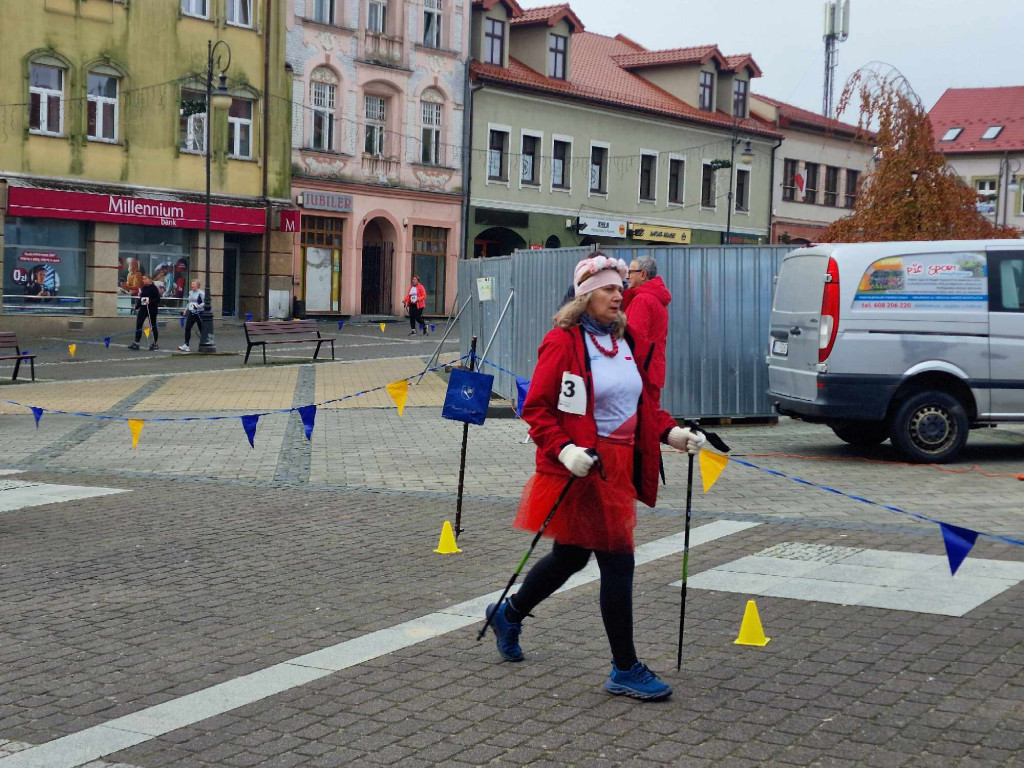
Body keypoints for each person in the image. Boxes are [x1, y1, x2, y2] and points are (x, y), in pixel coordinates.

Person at [485, 253, 705, 701]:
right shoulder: (563, 341)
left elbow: (641, 403)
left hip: (618, 466)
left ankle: (508, 614)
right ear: (585, 295)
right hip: (584, 465)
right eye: (607, 287)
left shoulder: (624, 341)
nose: (618, 294)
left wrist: (671, 432)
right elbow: (539, 409)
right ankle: (624, 667)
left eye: (620, 287)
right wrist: (565, 450)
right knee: (617, 561)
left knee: (570, 556)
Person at [623, 256, 671, 409]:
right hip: (653, 368)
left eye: (631, 272)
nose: (627, 276)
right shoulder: (656, 299)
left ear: (643, 274)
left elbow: (633, 340)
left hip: (642, 370)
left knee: (643, 418)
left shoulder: (642, 300)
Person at [129, 274, 161, 351]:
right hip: (143, 309)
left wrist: (150, 301)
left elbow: (158, 299)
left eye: (145, 279)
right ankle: (136, 343)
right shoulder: (143, 288)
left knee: (153, 325)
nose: (143, 280)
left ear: (149, 279)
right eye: (143, 279)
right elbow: (141, 298)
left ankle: (155, 343)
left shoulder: (154, 288)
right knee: (139, 324)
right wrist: (136, 306)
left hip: (151, 309)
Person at [177, 279, 205, 352]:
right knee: (187, 328)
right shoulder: (190, 293)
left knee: (201, 329)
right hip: (191, 313)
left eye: (193, 284)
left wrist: (197, 306)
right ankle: (186, 345)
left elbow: (204, 303)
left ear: (197, 285)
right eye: (191, 284)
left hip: (199, 313)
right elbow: (189, 303)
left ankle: (204, 344)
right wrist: (185, 310)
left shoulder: (201, 293)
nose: (192, 285)